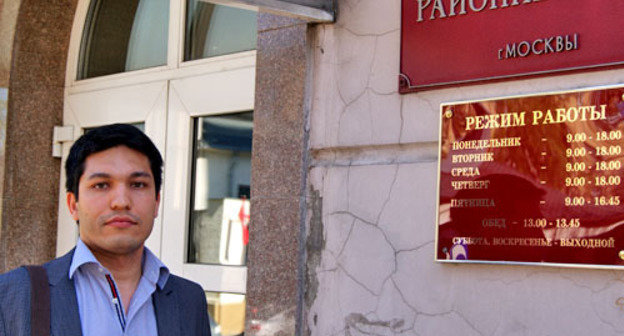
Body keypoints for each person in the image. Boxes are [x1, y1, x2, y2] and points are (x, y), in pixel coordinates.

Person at [0, 124, 211, 336]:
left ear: (156, 202)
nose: (121, 202)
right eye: (101, 185)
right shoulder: (14, 294)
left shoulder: (189, 300)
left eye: (137, 184)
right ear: (73, 205)